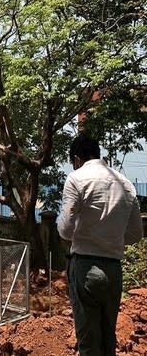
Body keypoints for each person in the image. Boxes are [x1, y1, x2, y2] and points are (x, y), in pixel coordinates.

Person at [58, 133, 143, 356]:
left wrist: (90, 236)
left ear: (77, 159)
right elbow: (136, 234)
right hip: (114, 271)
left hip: (85, 267)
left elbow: (65, 230)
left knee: (88, 345)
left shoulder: (76, 179)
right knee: (108, 342)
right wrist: (110, 239)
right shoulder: (125, 184)